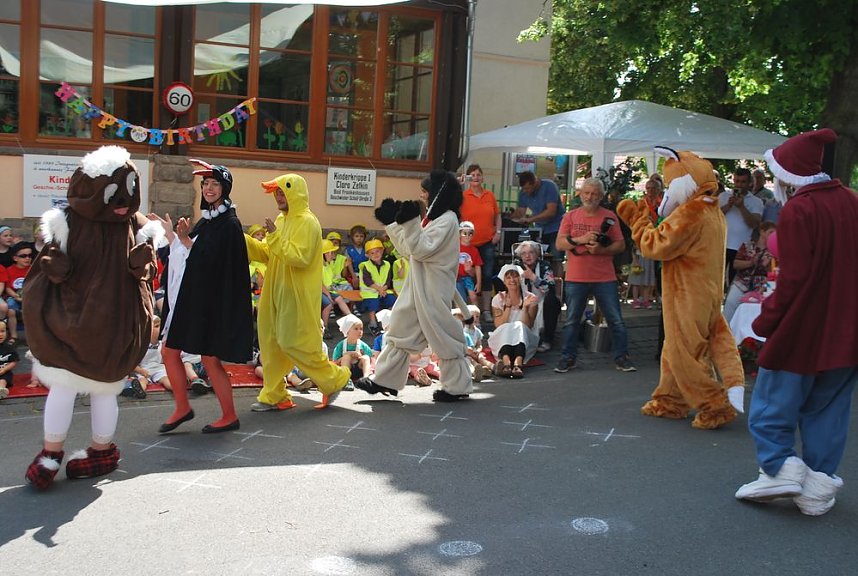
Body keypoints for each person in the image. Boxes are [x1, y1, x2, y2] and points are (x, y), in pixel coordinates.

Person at [735, 129, 858, 515]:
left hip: (804, 327)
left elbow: (793, 279)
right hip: (847, 328)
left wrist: (767, 320)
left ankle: (780, 467)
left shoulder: (799, 210)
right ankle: (818, 486)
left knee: (773, 402)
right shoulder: (852, 202)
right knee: (829, 409)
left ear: (788, 175)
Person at [23, 145, 160, 489]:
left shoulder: (136, 225)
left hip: (110, 325)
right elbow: (47, 269)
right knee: (66, 388)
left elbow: (145, 270)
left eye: (130, 190)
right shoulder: (66, 222)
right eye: (115, 192)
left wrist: (142, 264)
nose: (124, 200)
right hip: (73, 323)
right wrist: (55, 268)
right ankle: (52, 454)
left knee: (101, 390)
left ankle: (99, 451)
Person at [616, 148, 744, 430]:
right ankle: (670, 400)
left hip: (688, 294)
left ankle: (715, 404)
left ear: (684, 183)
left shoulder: (692, 212)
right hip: (705, 292)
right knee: (675, 347)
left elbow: (655, 245)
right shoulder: (712, 210)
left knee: (685, 353)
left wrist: (637, 221)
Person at [355, 169, 473, 402]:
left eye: (426, 191)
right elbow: (410, 249)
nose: (422, 195)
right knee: (399, 330)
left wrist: (409, 222)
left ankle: (457, 386)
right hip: (418, 286)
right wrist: (394, 222)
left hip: (432, 289)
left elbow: (421, 249)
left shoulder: (448, 219)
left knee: (444, 335)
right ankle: (385, 381)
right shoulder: (435, 219)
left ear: (438, 194)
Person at [155, 159, 254, 434]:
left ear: (225, 188)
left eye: (214, 184)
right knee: (169, 351)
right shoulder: (210, 219)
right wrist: (173, 237)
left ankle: (228, 415)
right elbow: (192, 255)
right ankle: (182, 407)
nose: (209, 188)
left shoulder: (229, 224)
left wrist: (185, 240)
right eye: (206, 184)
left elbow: (214, 264)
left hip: (210, 306)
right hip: (196, 302)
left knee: (209, 359)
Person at [245, 173, 350, 412]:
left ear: (296, 192)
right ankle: (274, 395)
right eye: (277, 193)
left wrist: (274, 236)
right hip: (275, 293)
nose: (279, 197)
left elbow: (299, 257)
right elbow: (270, 253)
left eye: (283, 192)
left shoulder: (308, 222)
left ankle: (334, 379)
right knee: (271, 343)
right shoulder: (282, 221)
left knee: (294, 342)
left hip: (296, 295)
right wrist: (243, 241)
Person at [555, 178, 636, 373]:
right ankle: (568, 357)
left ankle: (622, 357)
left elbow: (620, 245)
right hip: (576, 276)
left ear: (601, 196)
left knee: (615, 319)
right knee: (571, 320)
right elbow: (559, 244)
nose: (590, 197)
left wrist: (600, 249)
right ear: (580, 194)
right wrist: (580, 240)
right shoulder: (570, 216)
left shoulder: (609, 216)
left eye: (594, 194)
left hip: (604, 276)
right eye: (586, 193)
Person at [459, 164, 502, 324]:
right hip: (468, 243)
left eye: (478, 174)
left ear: (482, 177)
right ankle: (469, 310)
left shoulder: (489, 195)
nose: (475, 177)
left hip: (486, 242)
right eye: (472, 175)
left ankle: (485, 310)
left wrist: (498, 232)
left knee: (486, 275)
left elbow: (497, 215)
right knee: (465, 274)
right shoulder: (463, 196)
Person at [488, 264, 539, 378]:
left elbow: (528, 325)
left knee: (519, 326)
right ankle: (506, 363)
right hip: (503, 335)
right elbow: (498, 325)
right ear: (504, 281)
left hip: (525, 337)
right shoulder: (498, 299)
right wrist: (507, 307)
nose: (512, 280)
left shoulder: (530, 298)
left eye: (515, 277)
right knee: (507, 327)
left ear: (520, 278)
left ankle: (517, 363)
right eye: (508, 277)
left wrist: (525, 308)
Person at [722, 221, 775, 323]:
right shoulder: (747, 245)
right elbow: (735, 264)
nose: (773, 236)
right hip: (741, 283)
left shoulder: (773, 251)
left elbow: (774, 273)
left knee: (750, 316)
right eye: (771, 232)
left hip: (759, 288)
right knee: (730, 307)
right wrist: (751, 263)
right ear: (762, 231)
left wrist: (767, 266)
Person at [720, 167, 764, 286]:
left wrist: (741, 207)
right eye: (737, 181)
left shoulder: (756, 201)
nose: (739, 185)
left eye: (743, 182)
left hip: (741, 248)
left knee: (735, 282)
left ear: (749, 183)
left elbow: (755, 224)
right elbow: (713, 217)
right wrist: (728, 206)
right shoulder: (723, 196)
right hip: (721, 244)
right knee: (717, 280)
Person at [514, 240, 560, 352]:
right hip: (522, 300)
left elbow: (550, 288)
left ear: (537, 254)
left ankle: (547, 340)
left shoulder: (545, 266)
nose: (528, 256)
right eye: (524, 253)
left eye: (531, 252)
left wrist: (533, 277)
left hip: (542, 299)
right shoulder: (516, 266)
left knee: (552, 301)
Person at [512, 171, 566, 254]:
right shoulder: (523, 193)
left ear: (535, 183)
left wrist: (530, 219)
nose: (526, 191)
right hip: (539, 230)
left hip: (556, 228)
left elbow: (551, 212)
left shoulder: (549, 187)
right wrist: (510, 216)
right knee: (538, 256)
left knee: (556, 258)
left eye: (528, 188)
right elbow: (520, 212)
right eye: (523, 188)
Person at [359, 238, 397, 335]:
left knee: (393, 300)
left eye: (378, 251)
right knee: (373, 302)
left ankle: (386, 320)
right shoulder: (365, 265)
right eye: (372, 253)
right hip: (370, 291)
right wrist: (380, 289)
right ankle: (373, 324)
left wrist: (383, 288)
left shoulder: (387, 264)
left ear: (382, 251)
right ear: (367, 255)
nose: (376, 254)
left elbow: (388, 280)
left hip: (383, 290)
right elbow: (367, 281)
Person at [4, 242, 34, 345]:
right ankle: (14, 336)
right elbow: (7, 288)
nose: (27, 258)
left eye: (30, 255)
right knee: (11, 310)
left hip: (30, 297)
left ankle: (32, 337)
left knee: (32, 311)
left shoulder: (33, 270)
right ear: (15, 258)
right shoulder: (10, 270)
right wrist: (16, 296)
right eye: (23, 256)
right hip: (14, 296)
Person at [331, 314, 373, 387]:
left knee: (366, 357)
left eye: (361, 329)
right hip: (345, 370)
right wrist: (347, 355)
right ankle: (346, 380)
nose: (360, 331)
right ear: (347, 331)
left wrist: (360, 357)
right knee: (346, 357)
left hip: (359, 369)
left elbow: (371, 360)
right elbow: (335, 362)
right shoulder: (341, 345)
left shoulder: (363, 345)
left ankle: (366, 378)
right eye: (356, 329)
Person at [456, 220, 482, 307]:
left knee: (473, 297)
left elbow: (478, 266)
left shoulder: (474, 250)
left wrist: (479, 283)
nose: (467, 236)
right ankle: (460, 319)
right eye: (464, 233)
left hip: (467, 277)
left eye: (470, 233)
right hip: (456, 278)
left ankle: (476, 317)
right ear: (459, 234)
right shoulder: (454, 247)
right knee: (460, 300)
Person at [345, 223, 368, 289]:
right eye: (356, 236)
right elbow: (349, 264)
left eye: (361, 236)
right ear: (352, 237)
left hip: (365, 274)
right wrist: (354, 277)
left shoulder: (367, 248)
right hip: (353, 274)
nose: (359, 238)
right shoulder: (349, 250)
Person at [0, 320, 19, 400]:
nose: (0, 334)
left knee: (3, 380)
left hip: (4, 372)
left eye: (2, 331)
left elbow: (14, 361)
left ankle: (1, 390)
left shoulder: (9, 347)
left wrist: (5, 369)